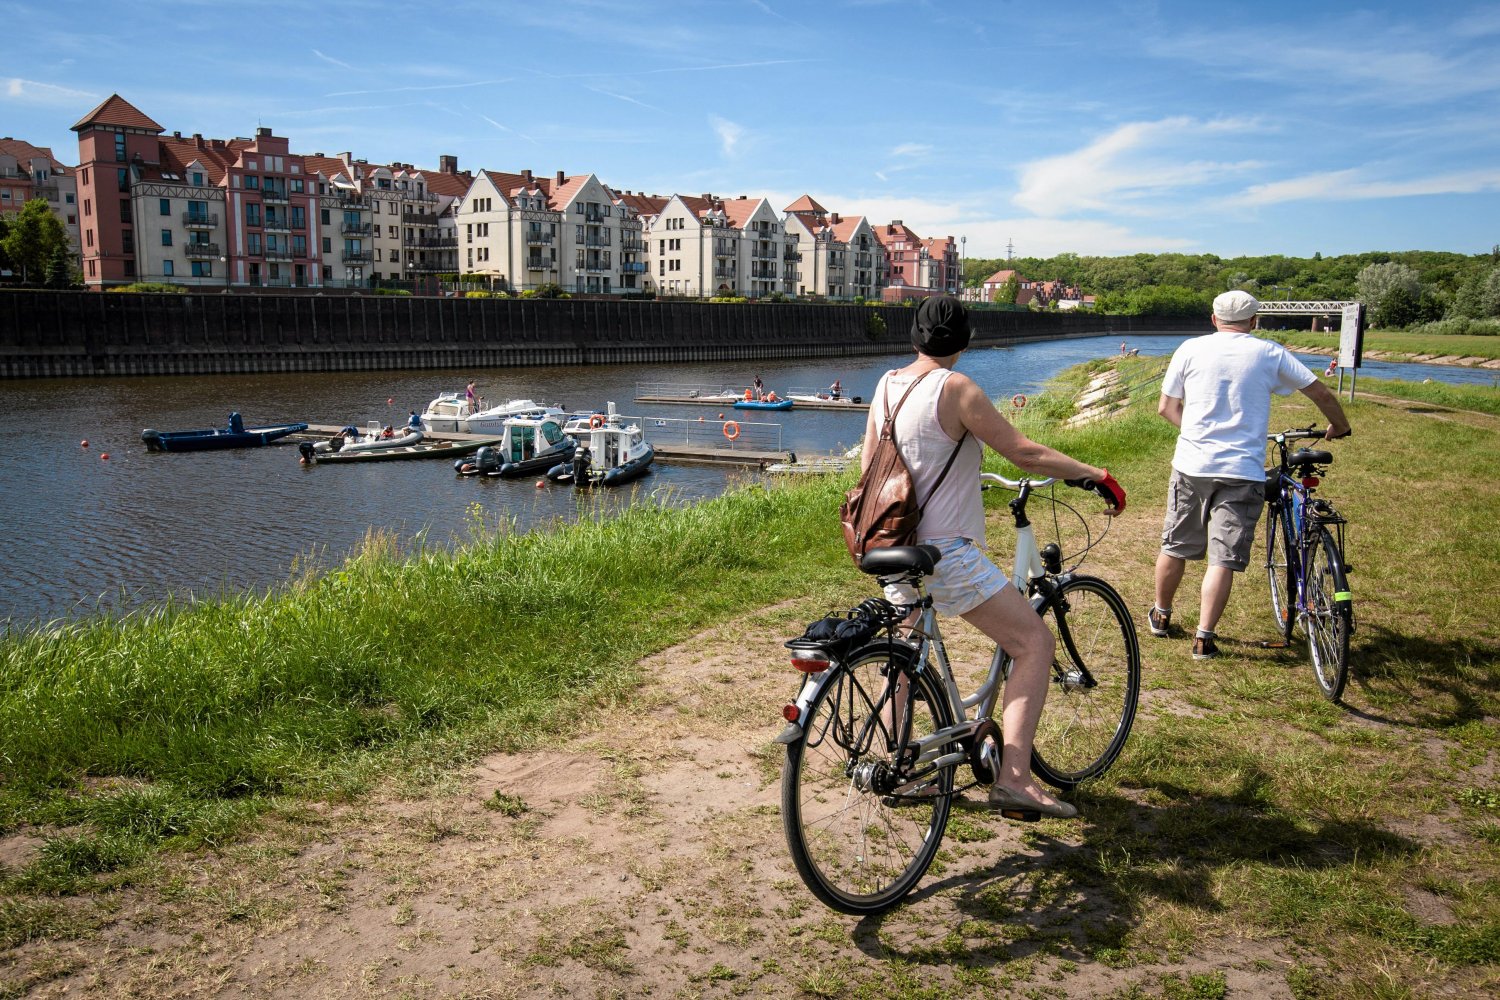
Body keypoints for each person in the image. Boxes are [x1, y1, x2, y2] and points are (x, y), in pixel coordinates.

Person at [860, 295, 1125, 820]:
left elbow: (871, 467)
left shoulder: (887, 384)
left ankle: (898, 760)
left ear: (913, 338)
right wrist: (1094, 474)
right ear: (964, 342)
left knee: (907, 648)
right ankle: (1015, 780)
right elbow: (1023, 453)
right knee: (1033, 642)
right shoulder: (956, 388)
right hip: (945, 552)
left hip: (889, 544)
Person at [1150, 290, 1351, 660]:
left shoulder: (1190, 349)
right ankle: (1204, 638)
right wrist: (1338, 425)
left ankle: (1161, 616)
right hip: (1242, 471)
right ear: (1254, 322)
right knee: (1222, 557)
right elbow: (1320, 393)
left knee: (1174, 543)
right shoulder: (1269, 352)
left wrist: (1194, 433)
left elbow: (1166, 407)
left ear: (1213, 320)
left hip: (1192, 465)